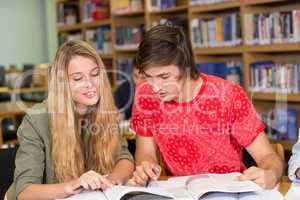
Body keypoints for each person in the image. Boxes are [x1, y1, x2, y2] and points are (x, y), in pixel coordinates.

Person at [128, 24, 284, 189]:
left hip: (229, 191)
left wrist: (271, 174)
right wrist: (146, 167)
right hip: (178, 193)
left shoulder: (228, 94)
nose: (156, 88)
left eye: (164, 76)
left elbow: (267, 156)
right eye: (148, 77)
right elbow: (145, 153)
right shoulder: (145, 94)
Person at [6, 40, 134, 200]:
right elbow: (25, 192)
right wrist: (75, 185)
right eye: (78, 78)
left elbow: (124, 157)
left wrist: (112, 180)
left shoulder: (105, 111)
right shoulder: (36, 121)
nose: (90, 84)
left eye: (95, 74)